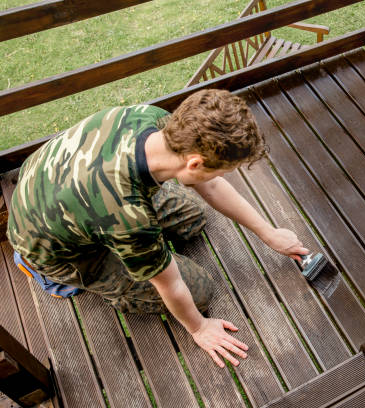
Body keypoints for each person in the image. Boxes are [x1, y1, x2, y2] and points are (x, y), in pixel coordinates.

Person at [7, 89, 309, 368]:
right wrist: (200, 327)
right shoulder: (128, 216)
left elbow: (211, 185)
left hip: (57, 183)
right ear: (194, 163)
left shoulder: (154, 119)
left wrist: (268, 233)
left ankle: (119, 244)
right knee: (199, 290)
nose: (226, 175)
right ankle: (44, 272)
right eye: (225, 169)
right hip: (57, 249)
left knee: (190, 218)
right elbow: (169, 285)